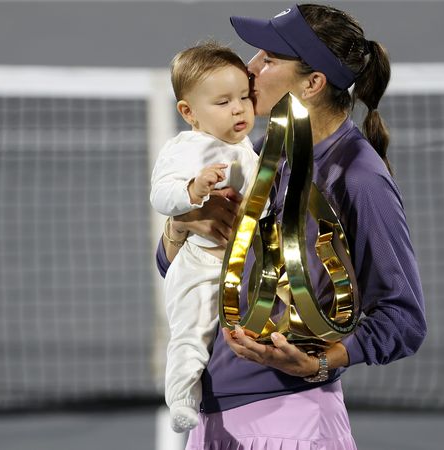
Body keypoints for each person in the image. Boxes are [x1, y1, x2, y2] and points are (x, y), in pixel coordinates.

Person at [156, 4, 427, 449]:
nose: (249, 69)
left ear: (313, 83)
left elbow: (403, 319)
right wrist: (181, 227)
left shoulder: (358, 176)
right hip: (214, 416)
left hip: (289, 422)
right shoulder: (258, 152)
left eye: (267, 59)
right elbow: (176, 268)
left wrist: (318, 364)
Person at [149, 42, 262, 433]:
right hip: (199, 263)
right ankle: (181, 397)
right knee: (192, 329)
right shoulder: (186, 148)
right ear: (188, 113)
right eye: (223, 102)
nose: (238, 108)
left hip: (243, 266)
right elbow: (160, 194)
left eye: (245, 98)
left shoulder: (248, 148)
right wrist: (193, 191)